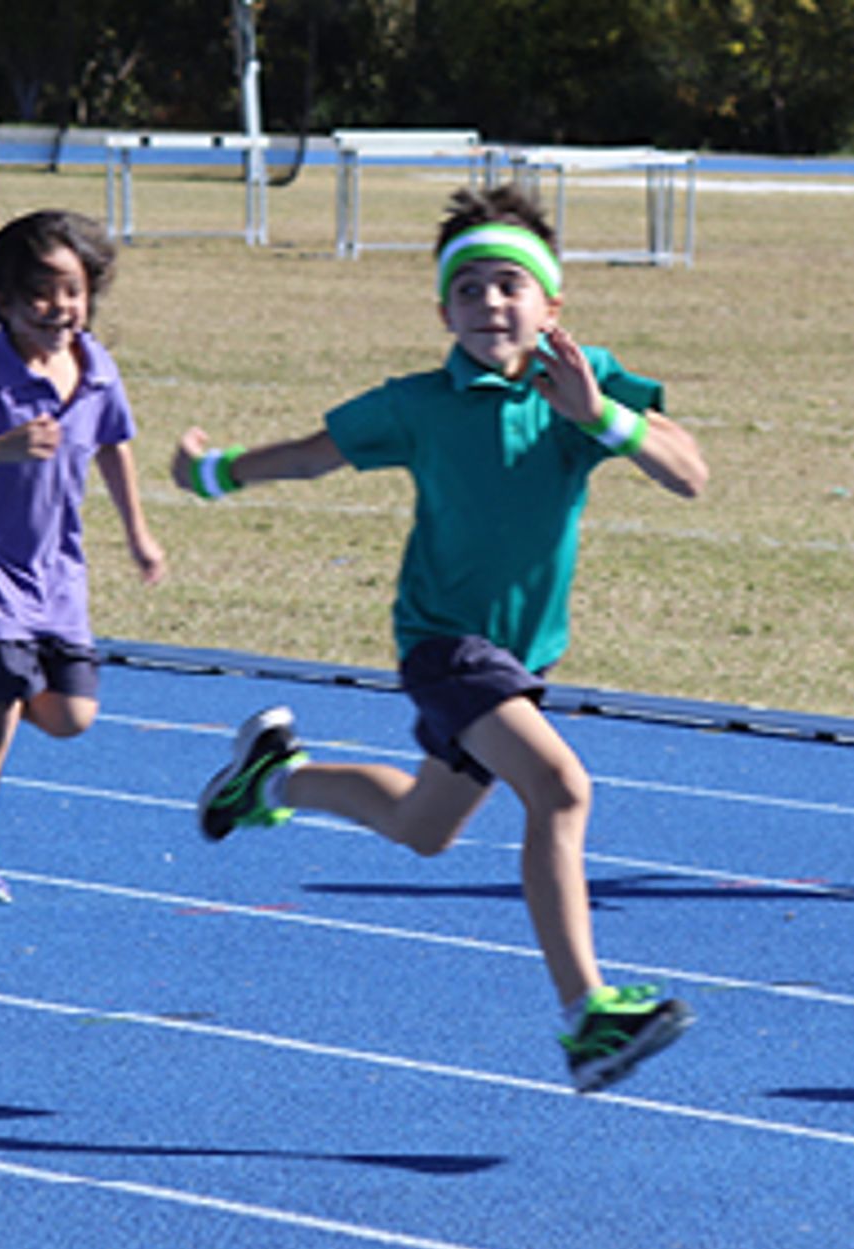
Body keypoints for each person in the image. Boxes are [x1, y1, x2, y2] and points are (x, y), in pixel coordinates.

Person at [171, 185, 706, 1092]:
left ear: (551, 305)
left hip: (520, 658)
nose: (490, 303)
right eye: (468, 290)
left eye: (510, 285)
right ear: (442, 312)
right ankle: (588, 1016)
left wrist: (598, 416)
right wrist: (212, 472)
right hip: (445, 646)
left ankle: (273, 778)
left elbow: (690, 473)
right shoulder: (418, 404)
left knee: (423, 829)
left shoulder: (586, 385)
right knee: (560, 789)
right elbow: (311, 454)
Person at [0, 210, 166, 904]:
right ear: (4, 301)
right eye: (39, 294)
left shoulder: (96, 369)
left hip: (54, 570)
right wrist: (1, 448)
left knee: (72, 717)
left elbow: (113, 445)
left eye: (72, 291)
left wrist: (138, 534)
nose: (58, 307)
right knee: (1, 701)